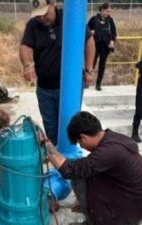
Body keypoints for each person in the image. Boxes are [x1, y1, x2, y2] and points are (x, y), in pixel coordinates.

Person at [43, 111, 142, 225]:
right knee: (90, 173)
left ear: (84, 137)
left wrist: (45, 144)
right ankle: (125, 218)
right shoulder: (112, 137)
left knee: (78, 179)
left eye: (79, 142)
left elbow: (70, 170)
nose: (81, 146)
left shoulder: (107, 153)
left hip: (137, 206)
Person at [20, 0, 95, 141]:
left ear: (53, 4)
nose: (41, 18)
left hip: (70, 87)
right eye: (37, 16)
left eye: (44, 14)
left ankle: (68, 157)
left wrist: (89, 70)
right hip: (45, 88)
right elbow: (25, 46)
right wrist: (27, 65)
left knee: (69, 123)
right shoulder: (33, 25)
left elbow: (89, 41)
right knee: (50, 124)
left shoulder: (70, 17)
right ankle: (55, 153)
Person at [87, 3, 118, 91]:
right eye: (107, 11)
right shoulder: (94, 19)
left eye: (109, 11)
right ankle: (88, 82)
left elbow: (114, 33)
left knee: (102, 65)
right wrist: (91, 32)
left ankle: (98, 84)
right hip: (95, 45)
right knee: (91, 64)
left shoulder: (110, 20)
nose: (109, 13)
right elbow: (86, 29)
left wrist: (112, 41)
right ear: (102, 10)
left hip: (105, 47)